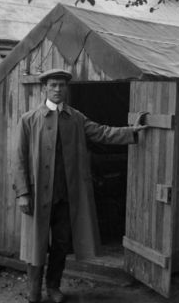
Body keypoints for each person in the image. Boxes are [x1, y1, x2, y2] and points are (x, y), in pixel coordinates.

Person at [14, 68, 147, 303]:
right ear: (44, 88)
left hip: (66, 195)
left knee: (62, 243)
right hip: (37, 196)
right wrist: (23, 193)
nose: (57, 90)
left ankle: (53, 287)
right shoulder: (29, 120)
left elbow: (103, 133)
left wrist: (131, 133)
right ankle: (33, 291)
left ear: (66, 88)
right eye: (53, 85)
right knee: (36, 244)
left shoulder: (75, 118)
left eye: (61, 86)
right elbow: (19, 159)